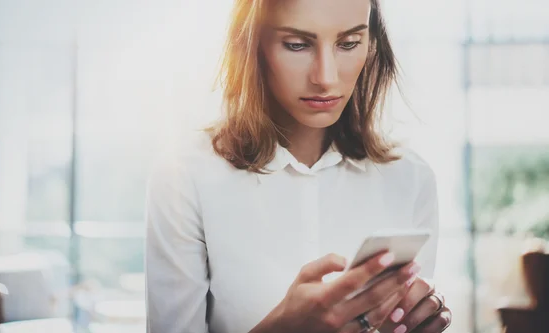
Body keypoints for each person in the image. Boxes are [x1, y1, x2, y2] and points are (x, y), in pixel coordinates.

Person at [145, 0, 452, 332]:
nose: (326, 77)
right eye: (297, 45)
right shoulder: (186, 177)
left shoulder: (410, 178)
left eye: (349, 43)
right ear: (252, 46)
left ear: (372, 45)